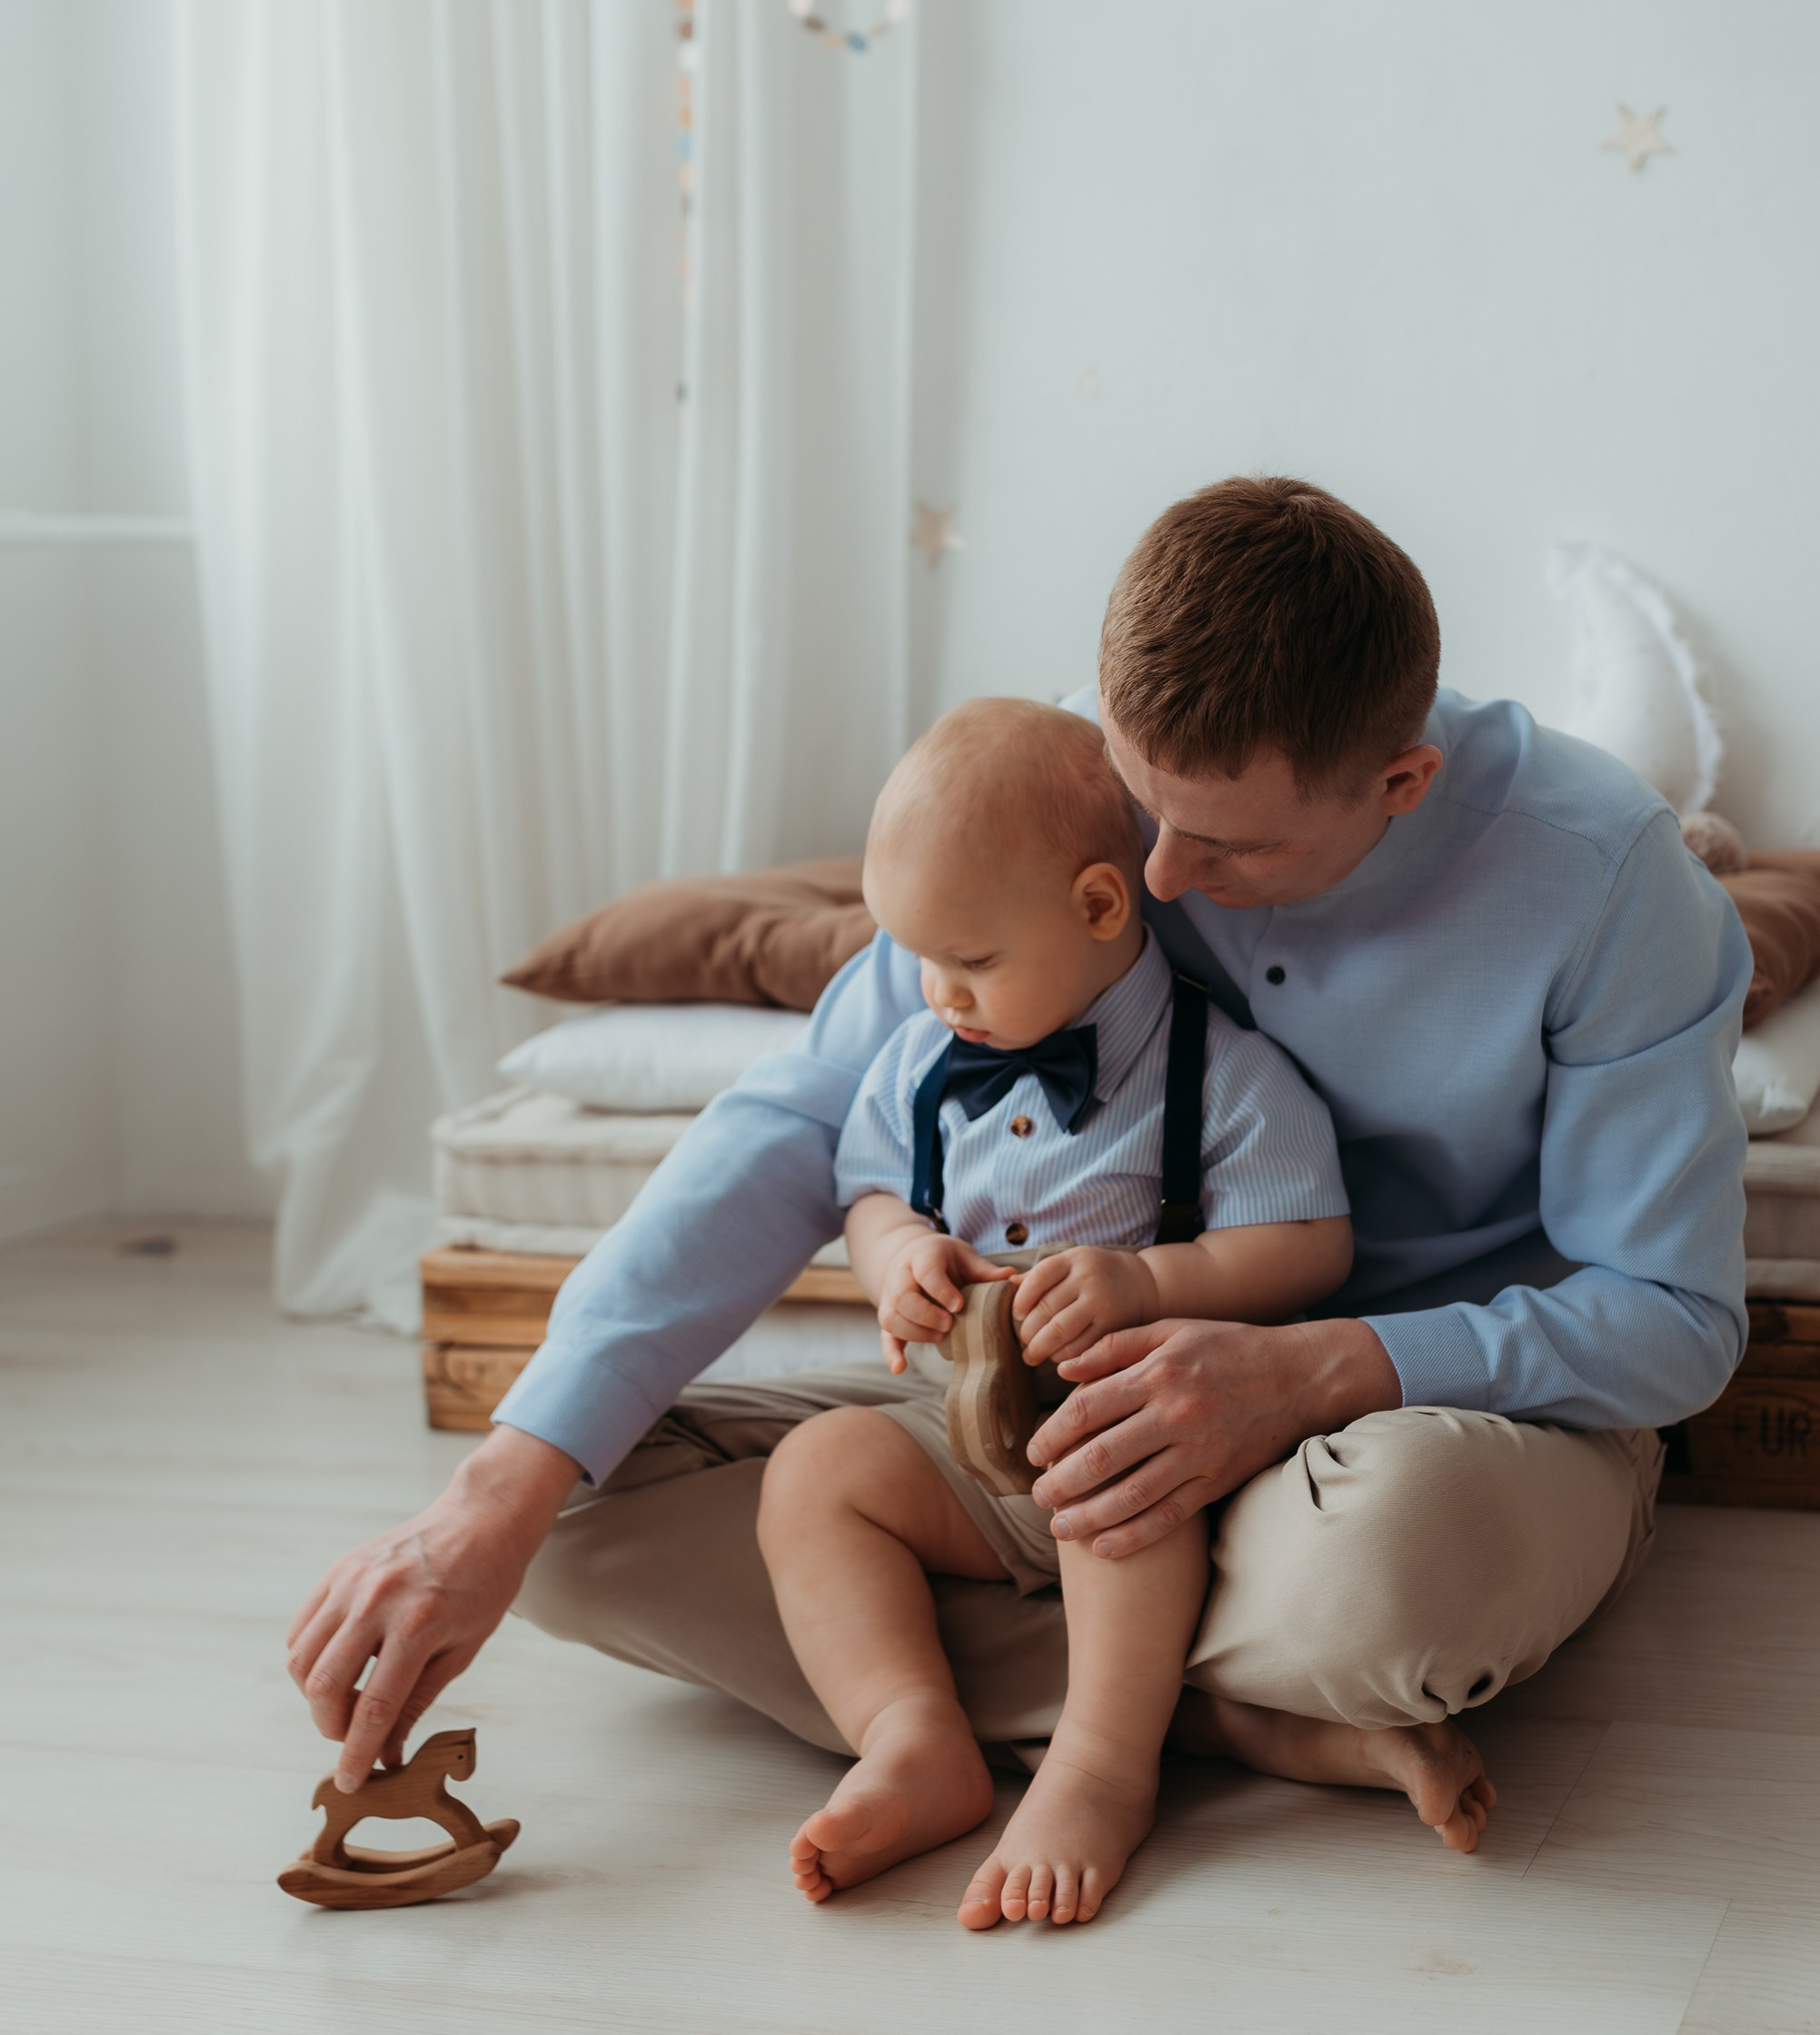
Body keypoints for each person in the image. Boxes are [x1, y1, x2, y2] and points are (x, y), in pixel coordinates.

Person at [286, 478, 1749, 1890]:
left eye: (1227, 843)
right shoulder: (1070, 786)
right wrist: (500, 1483)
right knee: (566, 1530)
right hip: (1060, 1416)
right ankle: (1210, 1713)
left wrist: (1312, 1371)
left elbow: (1670, 1323)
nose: (1157, 878)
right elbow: (805, 1113)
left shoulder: (1612, 887)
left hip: (1417, 1430)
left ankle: (1055, 1692)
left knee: (1395, 1576)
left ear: (1401, 784)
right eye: (1138, 801)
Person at [767, 699, 1394, 1931]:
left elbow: (1309, 1242)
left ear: (1103, 907)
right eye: (918, 960)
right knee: (813, 1472)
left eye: (974, 961)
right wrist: (900, 1257)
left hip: (1145, 1428)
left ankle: (1103, 1766)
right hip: (965, 1422)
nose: (938, 993)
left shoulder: (1219, 1072)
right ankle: (913, 1735)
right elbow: (870, 1197)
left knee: (1122, 1482)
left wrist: (1150, 1283)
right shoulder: (917, 1058)